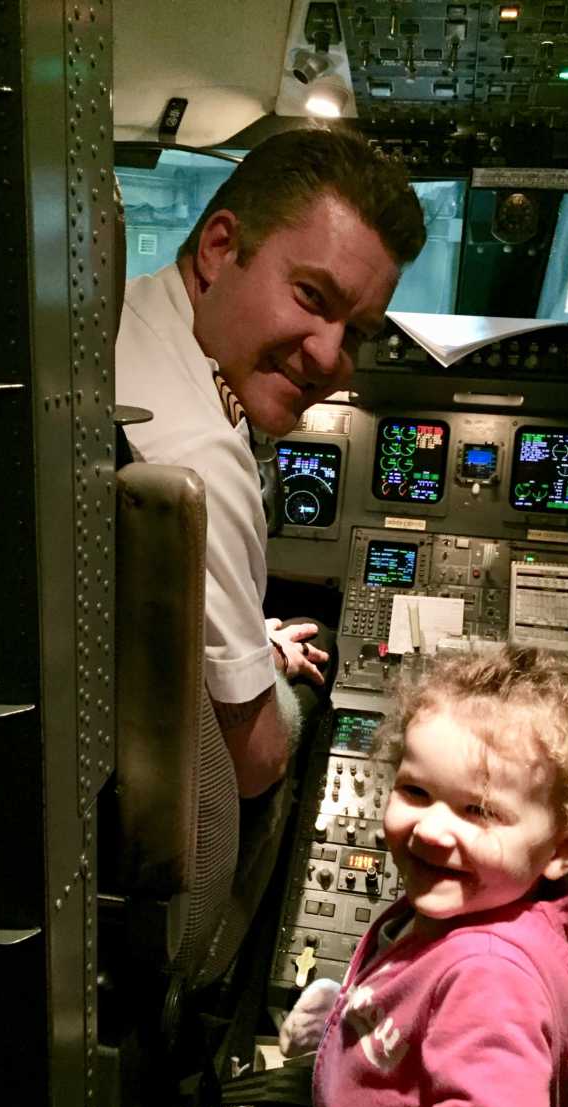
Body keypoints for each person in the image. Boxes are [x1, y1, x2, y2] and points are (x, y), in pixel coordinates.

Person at [116, 129, 426, 797]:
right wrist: (268, 670)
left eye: (359, 333)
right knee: (325, 677)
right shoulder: (200, 461)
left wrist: (246, 643)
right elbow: (254, 767)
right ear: (220, 248)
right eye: (312, 297)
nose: (329, 359)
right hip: (162, 833)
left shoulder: (125, 315)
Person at [276, 646, 568, 1107]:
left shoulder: (491, 985)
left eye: (479, 811)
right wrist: (346, 1010)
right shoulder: (485, 904)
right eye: (416, 792)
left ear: (563, 847)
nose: (429, 830)